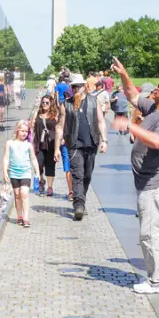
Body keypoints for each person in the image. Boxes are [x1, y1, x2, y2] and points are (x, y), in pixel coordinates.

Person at [111, 59, 159, 294]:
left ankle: (158, 280)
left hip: (158, 183)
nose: (156, 88)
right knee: (154, 231)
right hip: (149, 181)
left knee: (151, 233)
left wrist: (129, 127)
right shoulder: (155, 108)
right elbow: (132, 95)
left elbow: (157, 141)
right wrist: (124, 73)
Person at [54, 74, 108, 220]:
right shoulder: (66, 104)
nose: (76, 88)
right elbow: (59, 127)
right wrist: (57, 148)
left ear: (84, 86)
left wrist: (104, 140)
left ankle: (81, 199)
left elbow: (101, 121)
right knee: (77, 174)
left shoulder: (93, 101)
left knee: (87, 175)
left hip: (91, 144)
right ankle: (78, 205)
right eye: (74, 86)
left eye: (79, 86)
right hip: (74, 145)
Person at [3, 120, 40, 228]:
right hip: (14, 173)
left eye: (26, 131)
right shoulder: (10, 143)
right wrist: (5, 171)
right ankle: (19, 216)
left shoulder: (28, 145)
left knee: (24, 193)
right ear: (17, 130)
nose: (24, 133)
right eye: (22, 131)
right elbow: (6, 158)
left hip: (26, 173)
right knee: (17, 195)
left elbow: (33, 158)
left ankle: (26, 218)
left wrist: (37, 171)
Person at [31, 95, 59, 197]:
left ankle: (50, 187)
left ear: (51, 103)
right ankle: (41, 180)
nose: (44, 104)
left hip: (51, 143)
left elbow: (59, 127)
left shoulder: (55, 114)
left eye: (47, 102)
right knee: (39, 163)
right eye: (43, 102)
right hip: (39, 142)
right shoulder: (37, 114)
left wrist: (61, 140)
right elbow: (32, 127)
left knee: (50, 164)